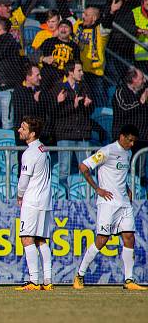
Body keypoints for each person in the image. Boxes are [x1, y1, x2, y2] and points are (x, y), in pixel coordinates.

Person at [74, 124, 146, 290]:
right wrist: (97, 189)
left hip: (124, 203)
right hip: (108, 204)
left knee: (129, 237)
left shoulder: (127, 153)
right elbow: (83, 167)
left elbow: (119, 175)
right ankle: (80, 275)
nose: (132, 144)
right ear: (121, 137)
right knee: (102, 240)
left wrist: (127, 189)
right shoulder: (107, 151)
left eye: (134, 141)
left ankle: (129, 280)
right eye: (130, 140)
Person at [15, 116, 53, 291]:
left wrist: (20, 196)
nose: (19, 130)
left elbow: (24, 180)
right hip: (45, 200)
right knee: (41, 240)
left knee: (26, 238)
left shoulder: (30, 152)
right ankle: (47, 280)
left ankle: (33, 281)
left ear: (32, 133)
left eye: (23, 128)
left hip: (32, 200)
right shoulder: (43, 148)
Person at [53, 62, 94, 195]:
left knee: (86, 168)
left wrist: (87, 105)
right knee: (64, 169)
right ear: (71, 72)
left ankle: (85, 195)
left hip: (82, 133)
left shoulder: (85, 87)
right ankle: (63, 197)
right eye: (79, 71)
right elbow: (54, 113)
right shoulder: (59, 87)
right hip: (65, 134)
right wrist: (71, 105)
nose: (82, 73)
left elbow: (91, 111)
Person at [39, 19, 80, 87]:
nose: (63, 29)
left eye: (66, 27)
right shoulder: (49, 42)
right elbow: (33, 55)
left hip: (66, 79)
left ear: (71, 31)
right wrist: (43, 58)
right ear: (58, 29)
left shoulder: (74, 46)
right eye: (61, 27)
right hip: (48, 77)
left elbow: (78, 64)